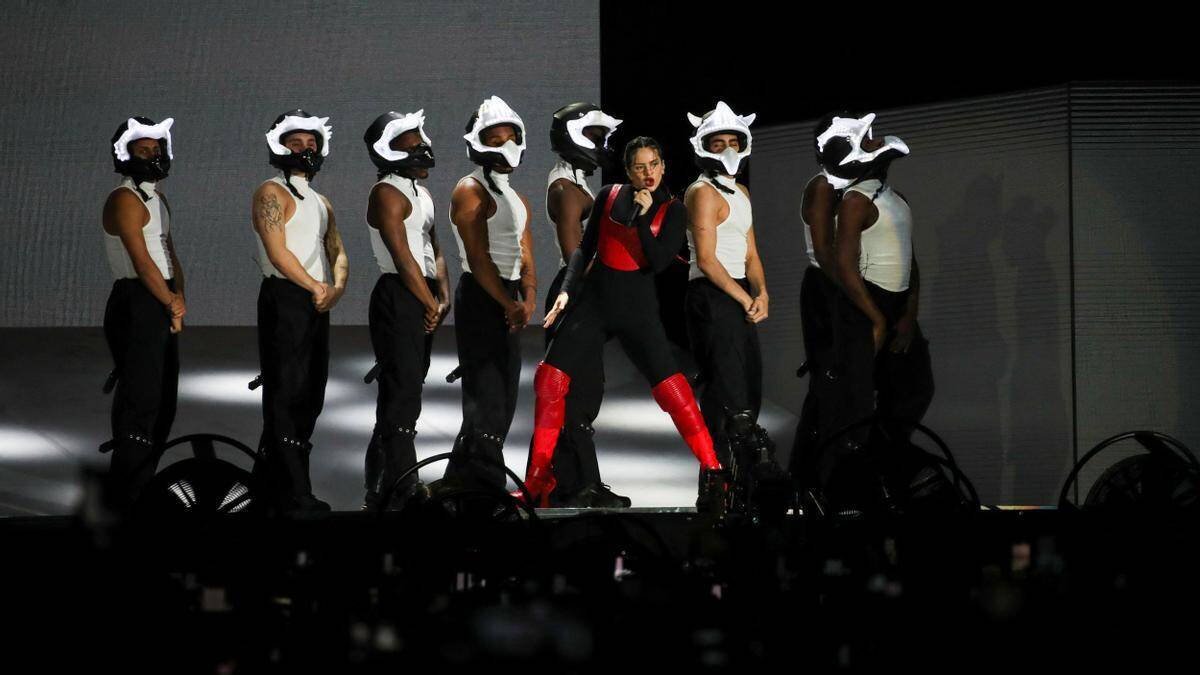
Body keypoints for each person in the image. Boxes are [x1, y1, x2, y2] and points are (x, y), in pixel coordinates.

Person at [522, 136, 725, 510]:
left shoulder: (674, 210)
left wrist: (645, 218)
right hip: (594, 301)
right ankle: (537, 480)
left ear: (663, 166)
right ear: (628, 171)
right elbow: (586, 249)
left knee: (672, 391)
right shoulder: (609, 195)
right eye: (638, 167)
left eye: (653, 165)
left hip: (637, 309)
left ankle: (713, 469)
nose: (647, 173)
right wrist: (567, 290)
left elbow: (658, 262)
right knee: (549, 379)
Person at [820, 113, 935, 506]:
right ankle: (844, 494)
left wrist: (907, 315)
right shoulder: (854, 201)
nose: (874, 140)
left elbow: (911, 261)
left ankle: (882, 469)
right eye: (866, 139)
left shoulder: (895, 198)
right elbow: (844, 268)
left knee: (915, 387)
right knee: (855, 406)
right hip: (864, 302)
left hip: (895, 305)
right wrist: (874, 317)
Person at [250, 110, 348, 514]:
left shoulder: (321, 201)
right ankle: (293, 491)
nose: (305, 150)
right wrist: (314, 287)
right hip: (285, 297)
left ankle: (270, 486)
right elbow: (277, 251)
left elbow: (337, 249)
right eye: (297, 142)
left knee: (310, 395)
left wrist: (336, 288)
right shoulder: (270, 193)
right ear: (279, 146)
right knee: (286, 393)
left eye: (311, 143)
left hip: (316, 300)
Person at [536, 102, 629, 507]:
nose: (600, 143)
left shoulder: (573, 182)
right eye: (593, 135)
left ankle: (576, 482)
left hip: (581, 290)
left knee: (585, 390)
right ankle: (579, 485)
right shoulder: (565, 189)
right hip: (575, 291)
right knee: (579, 392)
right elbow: (575, 253)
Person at [442, 96, 536, 491]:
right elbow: (478, 259)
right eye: (494, 138)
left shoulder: (515, 196)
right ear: (478, 143)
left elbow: (526, 250)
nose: (505, 145)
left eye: (510, 136)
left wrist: (528, 298)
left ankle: (457, 484)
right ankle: (487, 490)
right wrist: (507, 303)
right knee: (487, 400)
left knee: (501, 397)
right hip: (484, 298)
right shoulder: (470, 190)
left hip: (510, 298)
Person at [360, 109, 451, 510]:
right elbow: (402, 257)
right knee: (400, 394)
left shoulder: (422, 193)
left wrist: (443, 296)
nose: (419, 144)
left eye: (419, 136)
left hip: (423, 293)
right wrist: (429, 301)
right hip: (399, 294)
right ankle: (404, 486)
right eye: (408, 140)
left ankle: (381, 486)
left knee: (406, 391)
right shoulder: (386, 193)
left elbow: (434, 248)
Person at [100, 116, 185, 509]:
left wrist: (177, 297)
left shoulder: (159, 198)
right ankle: (125, 496)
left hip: (160, 298)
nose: (152, 155)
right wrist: (169, 301)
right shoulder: (124, 199)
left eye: (156, 148)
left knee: (163, 402)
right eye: (143, 149)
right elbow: (142, 261)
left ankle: (144, 489)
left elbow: (168, 252)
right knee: (141, 402)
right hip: (136, 300)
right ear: (125, 152)